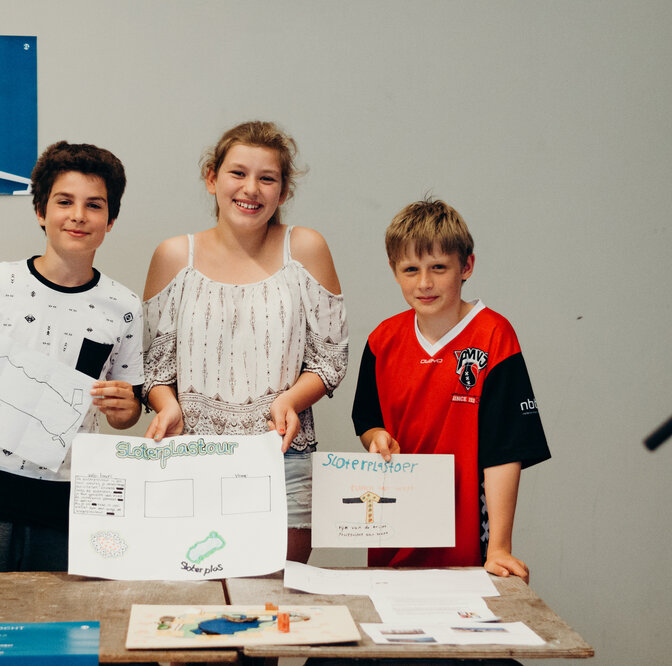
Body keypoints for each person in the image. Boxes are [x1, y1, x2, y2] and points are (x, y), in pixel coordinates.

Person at [0, 141, 144, 572]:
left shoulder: (125, 307)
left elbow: (123, 413)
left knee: (54, 630)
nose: (78, 215)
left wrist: (127, 408)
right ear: (40, 210)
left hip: (66, 497)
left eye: (94, 205)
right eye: (64, 201)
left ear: (111, 220)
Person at [142, 121, 348, 563]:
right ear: (212, 178)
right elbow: (154, 370)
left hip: (282, 458)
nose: (251, 189)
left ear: (283, 191)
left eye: (267, 178)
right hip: (191, 460)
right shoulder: (174, 256)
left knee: (274, 607)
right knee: (195, 607)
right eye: (238, 173)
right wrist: (167, 405)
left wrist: (292, 399)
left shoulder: (306, 248)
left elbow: (330, 359)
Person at [350, 198, 550, 582]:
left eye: (438, 268)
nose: (424, 283)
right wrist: (376, 437)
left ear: (466, 266)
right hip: (394, 533)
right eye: (411, 269)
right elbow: (368, 419)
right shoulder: (382, 339)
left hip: (466, 543)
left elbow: (505, 452)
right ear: (394, 272)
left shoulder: (495, 336)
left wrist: (500, 547)